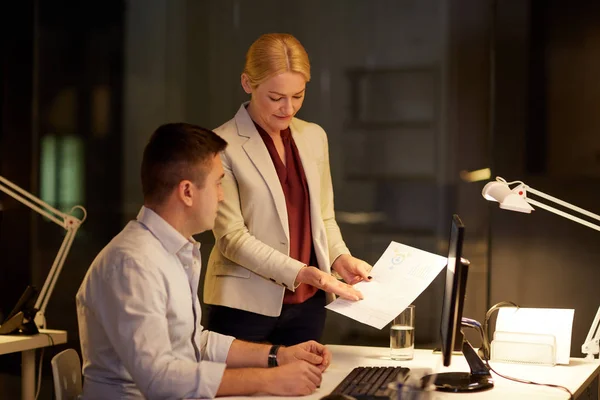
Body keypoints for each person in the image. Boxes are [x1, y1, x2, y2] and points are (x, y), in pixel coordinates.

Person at [76, 123, 331, 399]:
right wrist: (269, 380)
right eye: (218, 183)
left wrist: (278, 355)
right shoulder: (132, 264)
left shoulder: (172, 251)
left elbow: (195, 341)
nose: (222, 197)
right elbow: (160, 380)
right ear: (187, 192)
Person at [204, 33, 372, 346]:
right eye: (276, 97)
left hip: (308, 303)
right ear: (247, 83)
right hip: (242, 305)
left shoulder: (314, 137)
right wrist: (303, 272)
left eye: (298, 95)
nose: (288, 108)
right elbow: (231, 239)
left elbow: (324, 218)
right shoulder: (221, 145)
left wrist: (340, 258)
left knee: (303, 390)